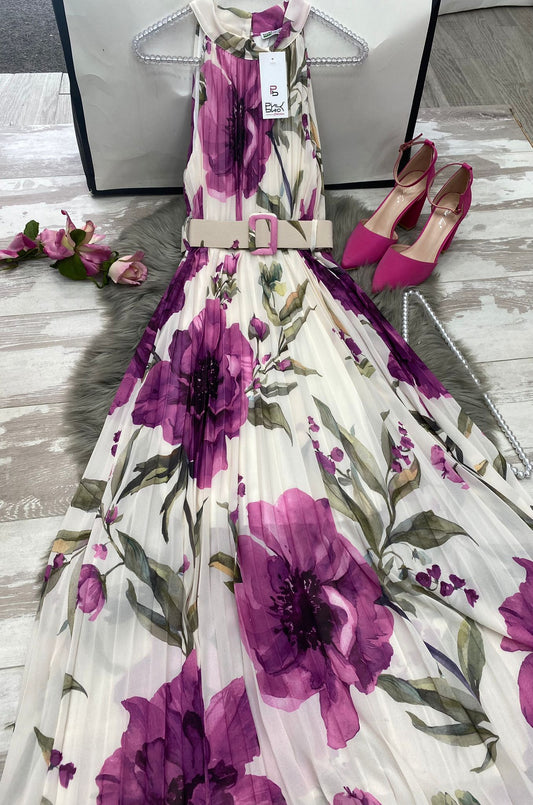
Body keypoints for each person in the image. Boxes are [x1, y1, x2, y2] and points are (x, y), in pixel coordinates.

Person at [1, 1, 532, 803]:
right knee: (191, 479)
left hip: (296, 277)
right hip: (212, 281)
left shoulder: (300, 37)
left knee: (350, 429)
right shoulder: (203, 30)